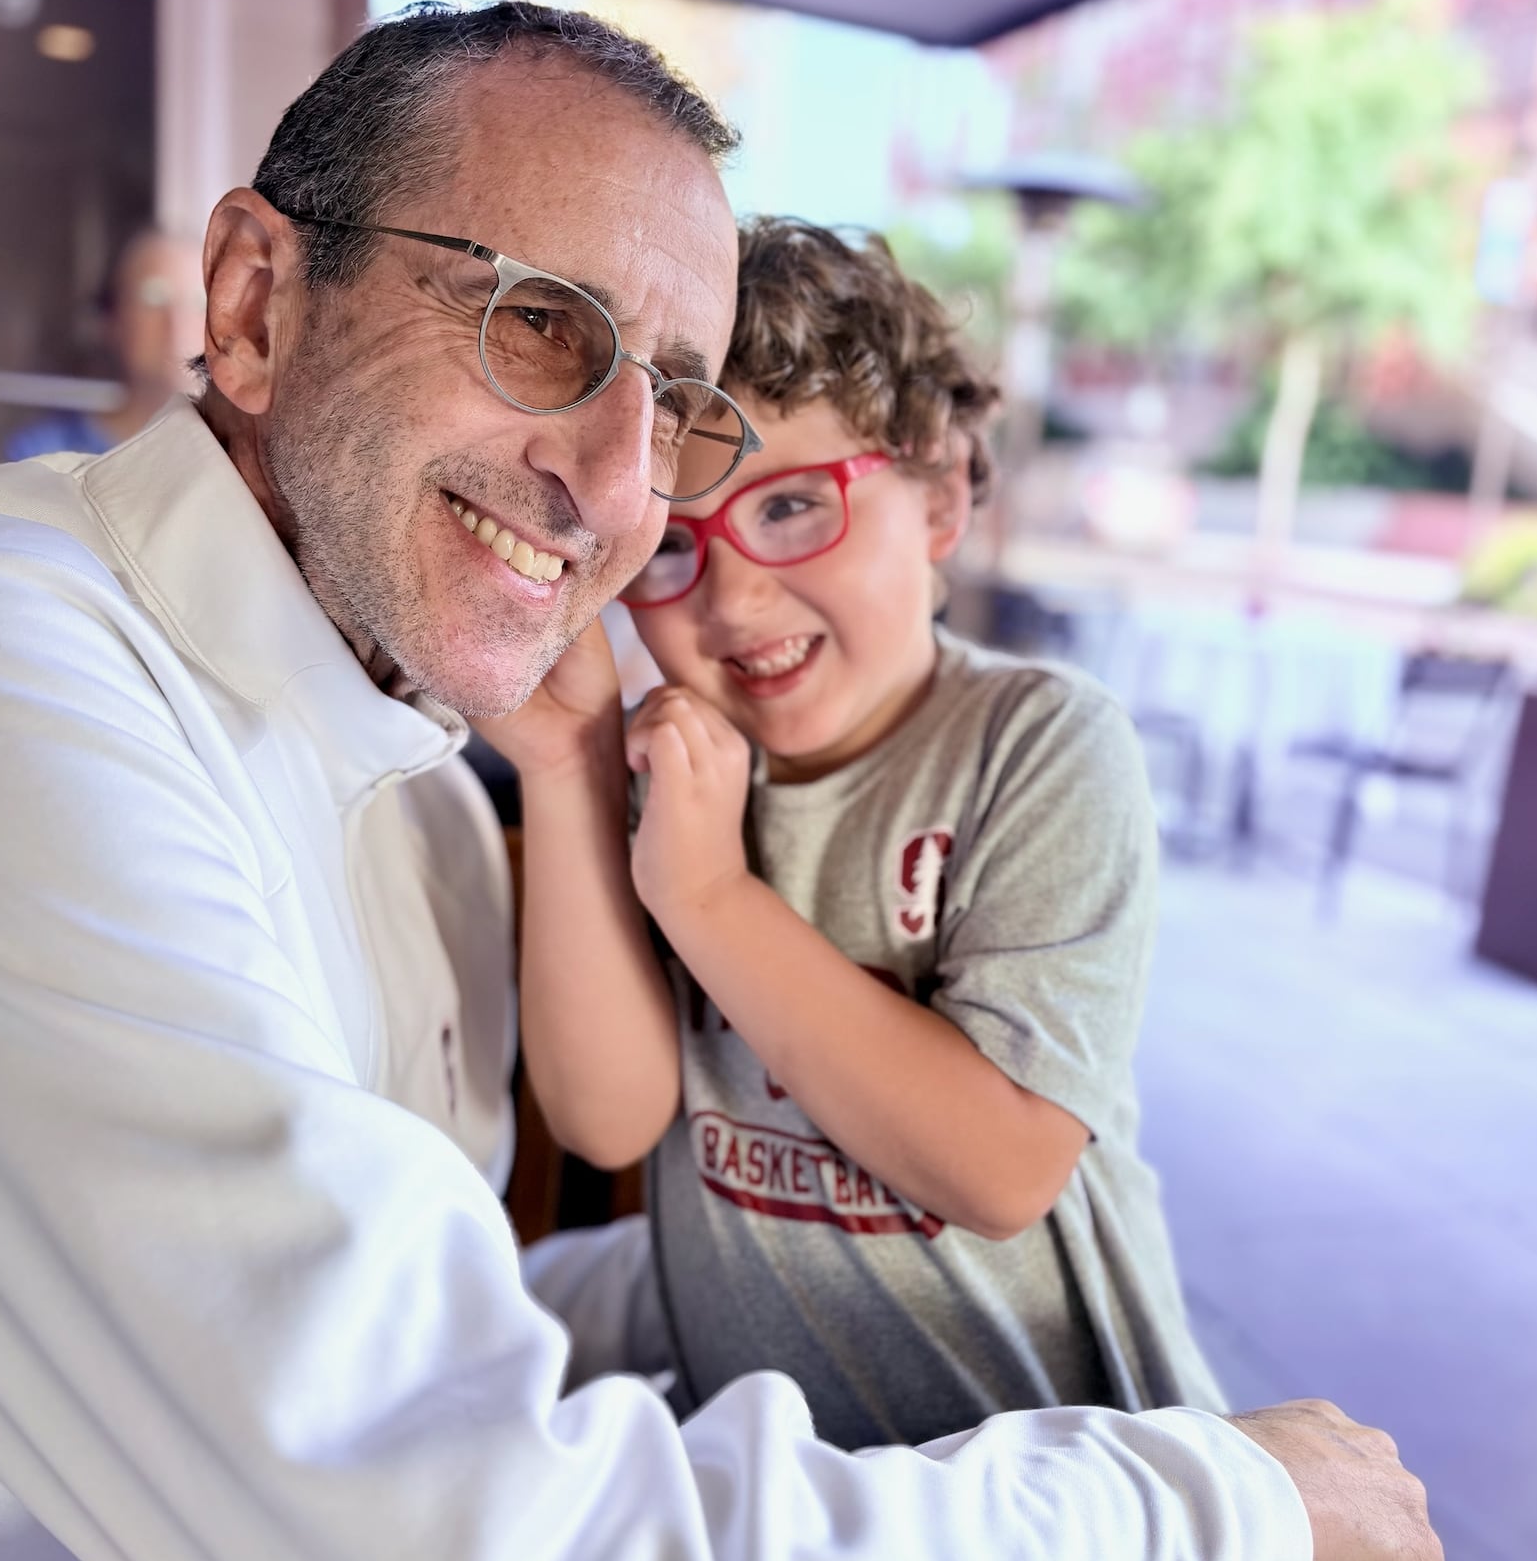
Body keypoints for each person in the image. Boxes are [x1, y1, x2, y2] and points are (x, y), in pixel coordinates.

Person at [0, 1, 1537, 1561]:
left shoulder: (414, 760)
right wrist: (1232, 1492)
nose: (618, 482)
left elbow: (407, 1305)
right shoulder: (26, 678)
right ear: (253, 299)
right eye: (539, 323)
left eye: (672, 397)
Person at [491, 217, 1223, 1451]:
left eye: (790, 509)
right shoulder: (663, 774)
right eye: (672, 543)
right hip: (800, 1495)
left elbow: (1001, 1169)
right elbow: (609, 1122)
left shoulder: (1038, 744)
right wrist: (567, 770)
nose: (732, 597)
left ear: (938, 495)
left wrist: (712, 898)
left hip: (1065, 1479)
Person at [4, 227, 206, 461]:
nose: (177, 323)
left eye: (199, 300)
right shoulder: (41, 457)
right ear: (111, 319)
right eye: (153, 297)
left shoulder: (241, 462)